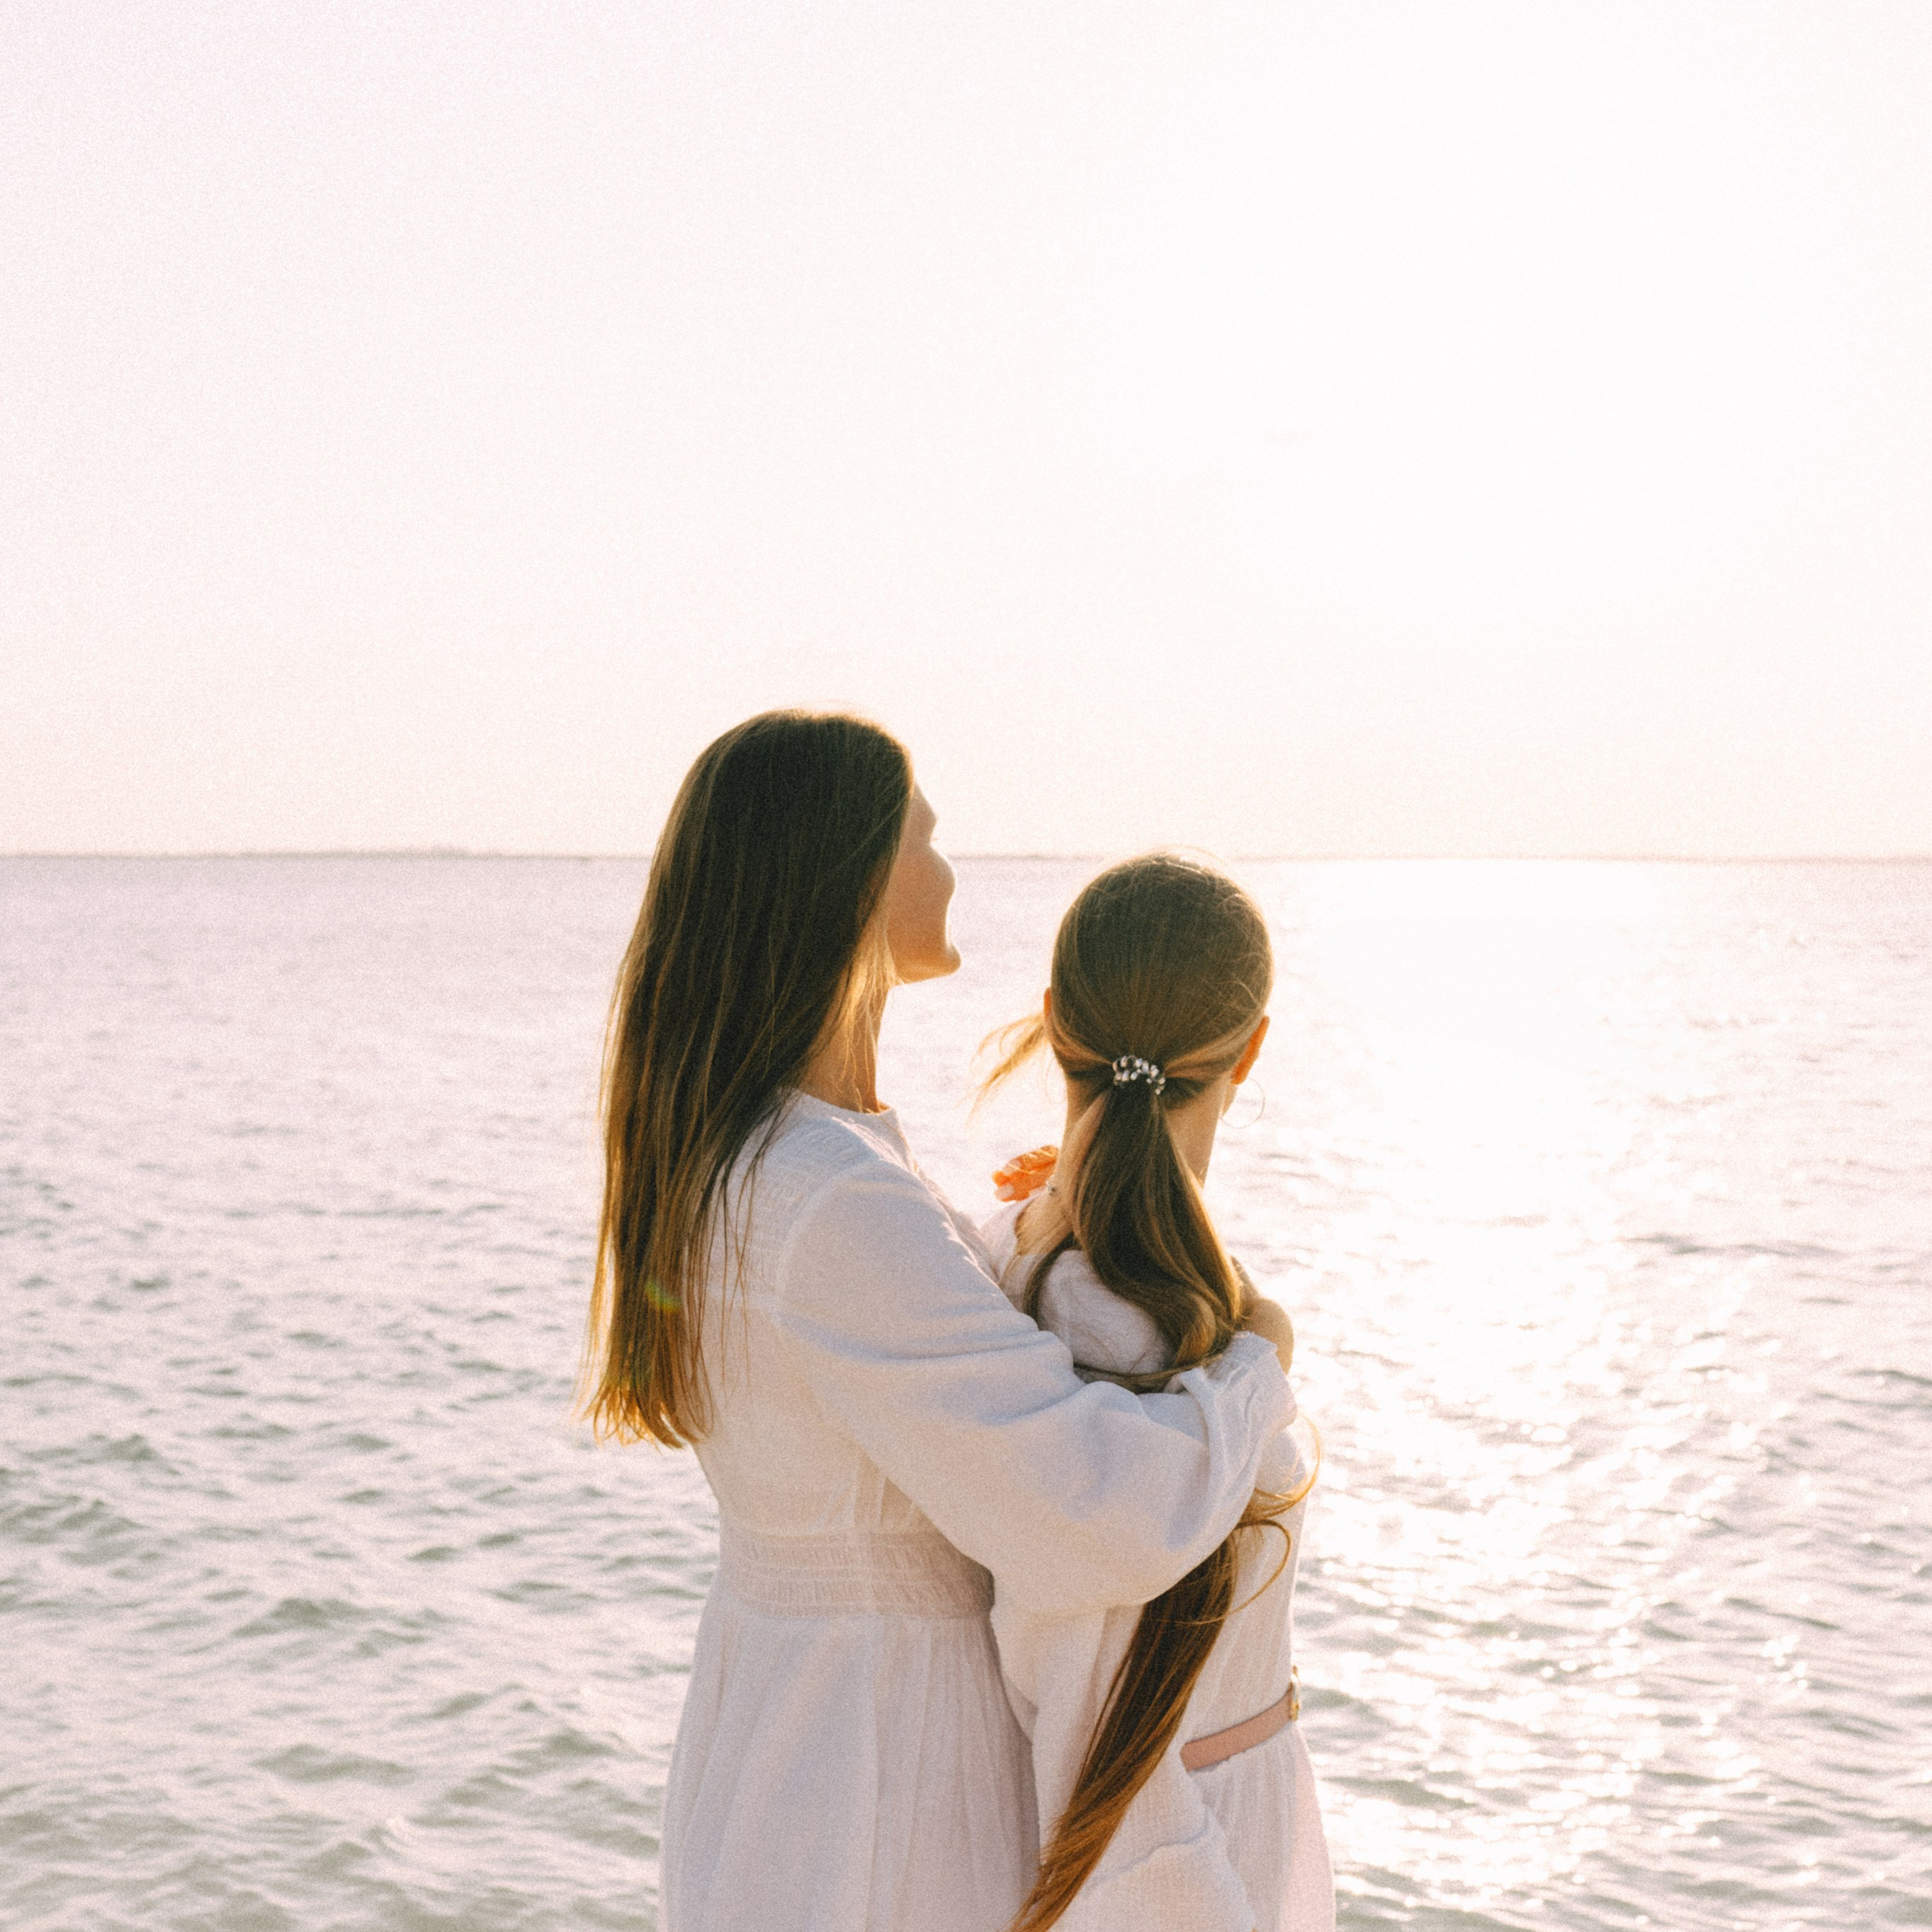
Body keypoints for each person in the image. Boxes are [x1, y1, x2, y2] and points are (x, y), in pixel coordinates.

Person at [580, 712, 1296, 1932]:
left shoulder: (776, 1159)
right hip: (882, 1778)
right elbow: (1096, 1510)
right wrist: (1254, 1363)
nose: (951, 871)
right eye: (927, 836)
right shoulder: (832, 1195)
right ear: (855, 878)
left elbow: (907, 1372)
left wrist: (1017, 1235)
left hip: (788, 1733)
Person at [979, 852, 1334, 1932]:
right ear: (1253, 1048)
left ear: (1051, 1022)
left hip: (1164, 1808)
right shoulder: (1136, 1322)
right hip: (1175, 1836)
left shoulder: (1016, 1269)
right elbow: (1098, 1686)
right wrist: (1266, 1344)